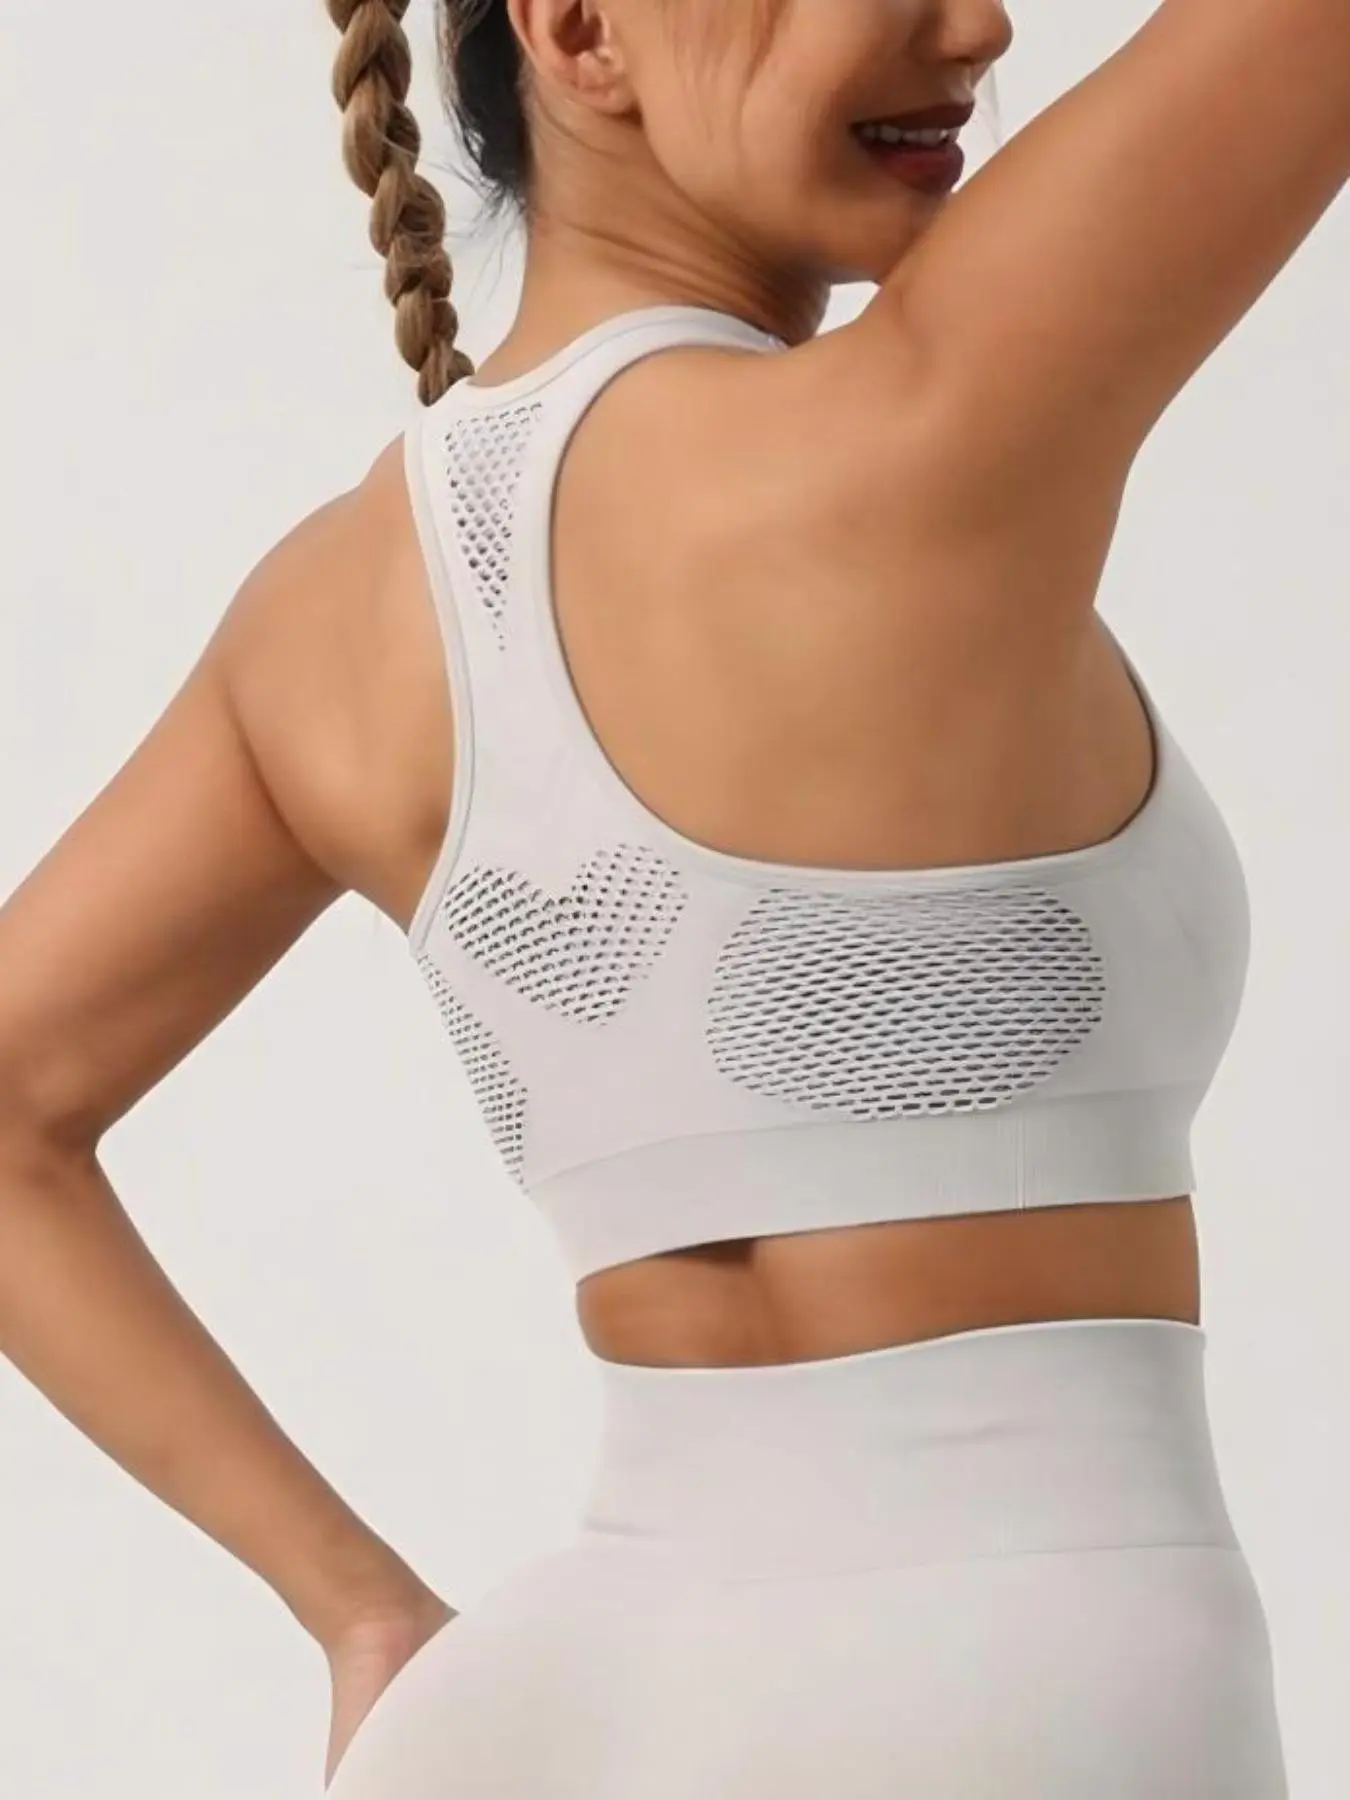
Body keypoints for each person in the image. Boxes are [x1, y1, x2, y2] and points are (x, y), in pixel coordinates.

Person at [2, 0, 1346, 1792]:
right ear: (579, 30)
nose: (976, 26)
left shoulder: (322, 614)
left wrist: (358, 1614)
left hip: (535, 1718)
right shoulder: (923, 423)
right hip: (1025, 1692)